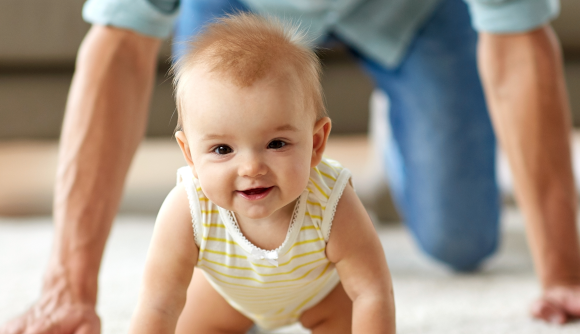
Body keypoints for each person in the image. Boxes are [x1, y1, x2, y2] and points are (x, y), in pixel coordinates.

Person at [0, 0, 580, 333]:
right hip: (240, 12)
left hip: (410, 13)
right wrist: (70, 286)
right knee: (226, 141)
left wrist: (566, 275)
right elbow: (118, 44)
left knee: (460, 240)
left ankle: (398, 125)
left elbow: (520, 42)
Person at [129, 14, 394, 333]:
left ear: (315, 143)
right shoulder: (187, 210)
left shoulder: (333, 204)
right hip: (226, 299)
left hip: (319, 299)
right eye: (223, 149)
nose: (252, 168)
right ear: (190, 155)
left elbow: (371, 291)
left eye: (276, 143)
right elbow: (158, 304)